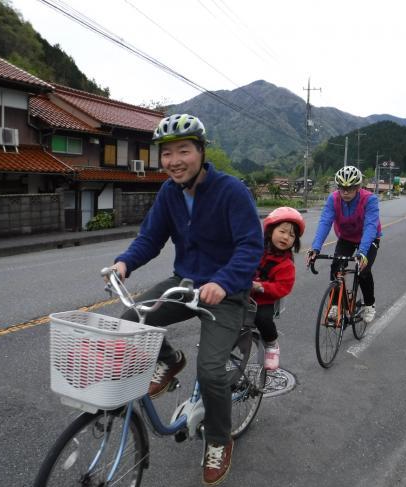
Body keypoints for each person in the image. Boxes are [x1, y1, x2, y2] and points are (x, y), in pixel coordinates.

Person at [109, 114, 263, 485]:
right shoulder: (169, 193)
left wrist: (224, 283)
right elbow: (151, 237)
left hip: (225, 292)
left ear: (201, 152)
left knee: (211, 372)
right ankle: (171, 360)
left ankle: (219, 440)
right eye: (167, 153)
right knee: (130, 319)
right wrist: (125, 262)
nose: (174, 160)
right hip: (186, 283)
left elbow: (250, 245)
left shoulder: (231, 191)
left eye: (183, 151)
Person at [305, 165, 381, 323]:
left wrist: (362, 252)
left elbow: (370, 226)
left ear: (358, 187)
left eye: (350, 188)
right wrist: (315, 248)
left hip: (369, 238)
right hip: (346, 237)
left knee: (363, 270)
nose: (345, 192)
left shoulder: (370, 199)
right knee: (336, 267)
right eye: (342, 188)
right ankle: (335, 305)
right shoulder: (333, 199)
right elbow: (325, 222)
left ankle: (369, 304)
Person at [250, 207, 305, 370]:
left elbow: (283, 287)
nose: (286, 237)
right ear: (271, 230)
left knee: (262, 318)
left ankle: (272, 344)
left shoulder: (286, 264)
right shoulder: (256, 250)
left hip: (264, 300)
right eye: (282, 231)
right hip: (243, 294)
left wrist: (261, 287)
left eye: (292, 235)